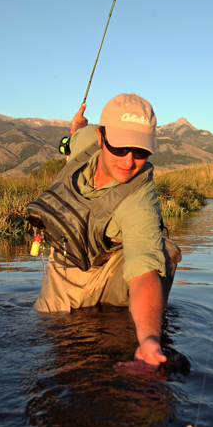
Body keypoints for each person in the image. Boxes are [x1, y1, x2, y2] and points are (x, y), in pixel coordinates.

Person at [33, 93, 181, 367]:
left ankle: (133, 326)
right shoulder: (85, 137)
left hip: (105, 265)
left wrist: (149, 339)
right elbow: (79, 132)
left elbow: (143, 273)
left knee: (164, 251)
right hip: (64, 261)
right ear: (101, 138)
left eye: (140, 151)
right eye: (120, 147)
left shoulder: (140, 199)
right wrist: (76, 126)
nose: (128, 161)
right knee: (54, 334)